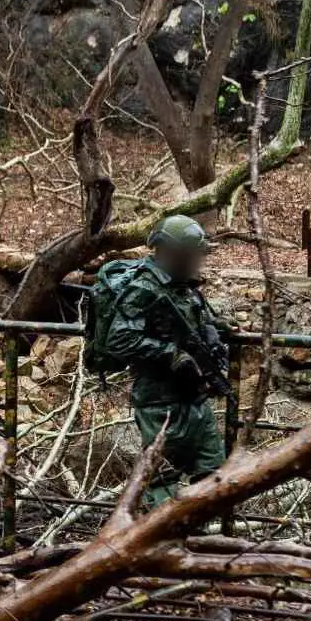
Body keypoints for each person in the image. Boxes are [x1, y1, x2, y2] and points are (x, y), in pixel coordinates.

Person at [102, 214, 231, 508]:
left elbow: (198, 321)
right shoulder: (144, 289)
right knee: (162, 486)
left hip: (193, 399)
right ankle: (161, 545)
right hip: (161, 403)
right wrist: (171, 354)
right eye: (190, 255)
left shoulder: (183, 286)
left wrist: (221, 331)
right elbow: (119, 339)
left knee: (215, 475)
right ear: (171, 253)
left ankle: (195, 542)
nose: (196, 261)